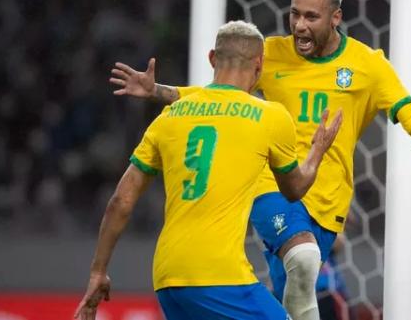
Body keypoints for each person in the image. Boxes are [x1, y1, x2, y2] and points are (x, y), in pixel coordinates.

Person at [109, 0, 411, 319]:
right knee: (302, 255)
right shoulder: (269, 54)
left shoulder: (367, 65)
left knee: (292, 298)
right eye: (295, 13)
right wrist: (158, 92)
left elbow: (406, 110)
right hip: (274, 188)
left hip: (328, 203)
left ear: (336, 17)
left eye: (311, 16)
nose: (299, 25)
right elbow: (216, 96)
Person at [74, 20, 343, 320]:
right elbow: (294, 190)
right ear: (260, 64)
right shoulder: (269, 116)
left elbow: (120, 202)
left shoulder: (169, 117)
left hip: (168, 278)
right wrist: (318, 151)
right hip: (220, 275)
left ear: (212, 59)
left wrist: (98, 272)